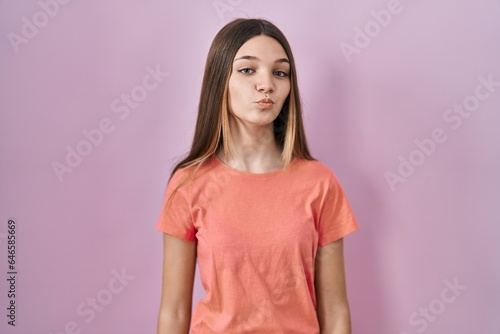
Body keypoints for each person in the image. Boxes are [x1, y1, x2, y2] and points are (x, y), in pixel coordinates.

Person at [156, 18, 360, 334]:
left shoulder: (320, 183)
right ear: (219, 80)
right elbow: (174, 310)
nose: (266, 84)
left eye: (280, 72)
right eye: (248, 70)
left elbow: (335, 310)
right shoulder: (188, 183)